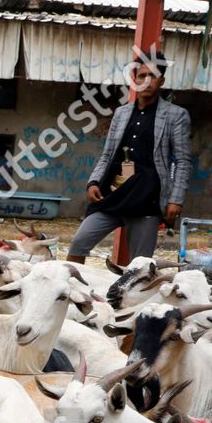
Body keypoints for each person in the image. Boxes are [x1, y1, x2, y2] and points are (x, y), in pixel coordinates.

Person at [65, 50, 192, 264]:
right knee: (79, 243)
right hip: (113, 191)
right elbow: (107, 153)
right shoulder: (121, 113)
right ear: (134, 79)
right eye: (141, 76)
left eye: (152, 76)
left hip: (147, 198)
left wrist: (175, 199)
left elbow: (182, 161)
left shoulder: (176, 115)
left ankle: (132, 297)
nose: (146, 81)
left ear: (161, 80)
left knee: (139, 264)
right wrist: (94, 181)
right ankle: (73, 291)